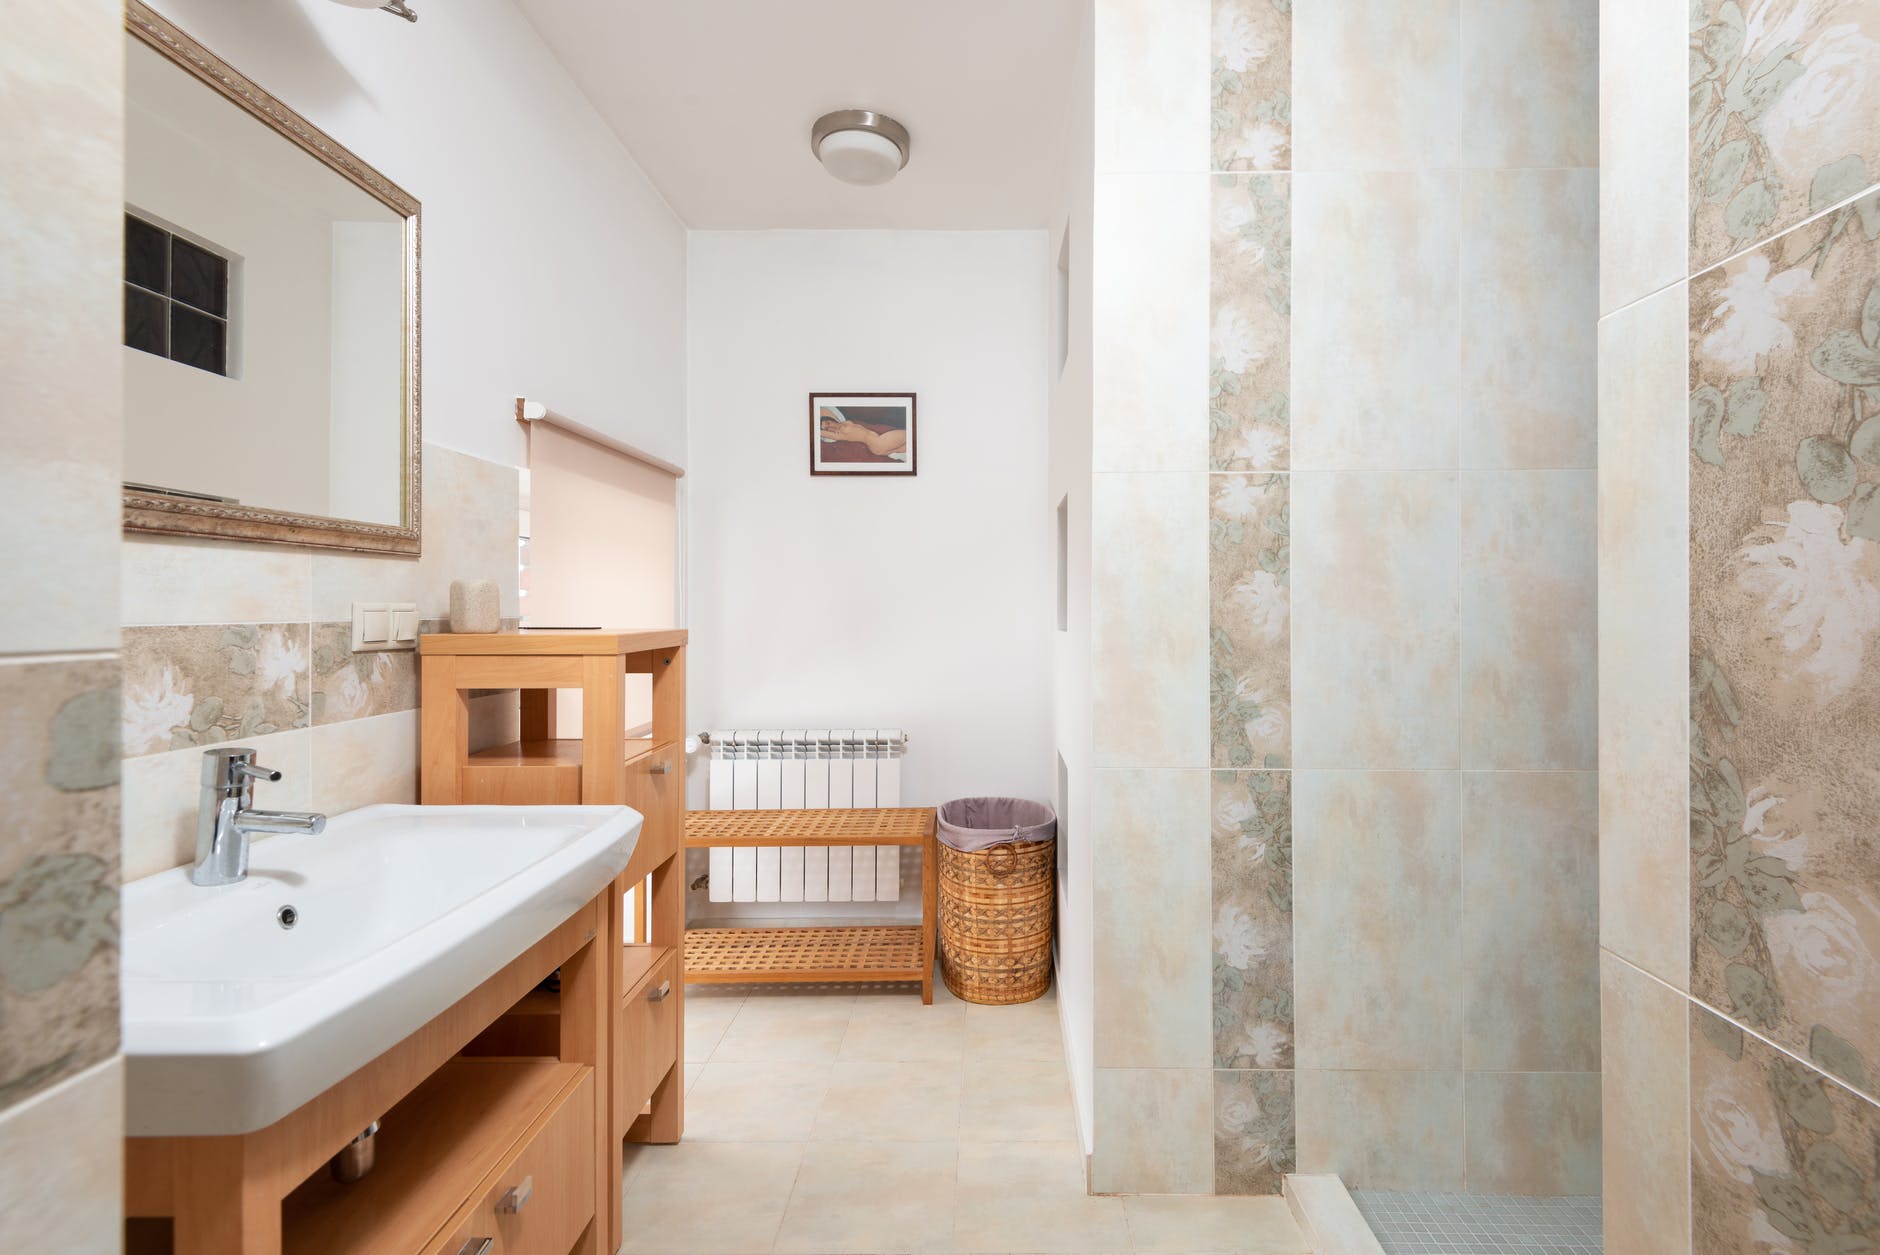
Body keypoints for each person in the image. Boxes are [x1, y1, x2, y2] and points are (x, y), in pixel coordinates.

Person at [818, 407, 907, 461]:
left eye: (828, 423)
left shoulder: (845, 421)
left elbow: (828, 411)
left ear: (831, 419)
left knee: (908, 446)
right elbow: (818, 432)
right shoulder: (838, 435)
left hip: (877, 449)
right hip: (878, 443)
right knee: (909, 435)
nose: (830, 427)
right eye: (827, 429)